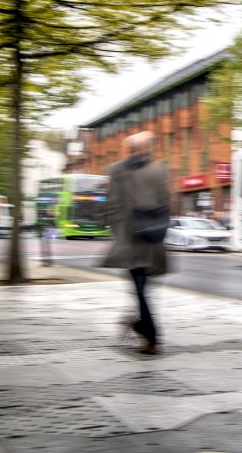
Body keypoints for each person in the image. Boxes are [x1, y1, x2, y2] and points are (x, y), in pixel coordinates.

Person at [102, 131, 169, 355]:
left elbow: (165, 203)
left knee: (140, 289)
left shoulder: (156, 170)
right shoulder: (119, 171)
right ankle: (149, 334)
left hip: (147, 241)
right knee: (140, 288)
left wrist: (159, 229)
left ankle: (144, 329)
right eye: (138, 148)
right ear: (131, 150)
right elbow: (112, 205)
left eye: (146, 147)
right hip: (133, 240)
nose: (143, 152)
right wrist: (119, 232)